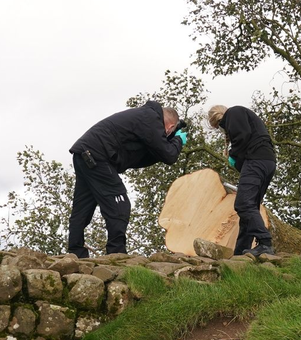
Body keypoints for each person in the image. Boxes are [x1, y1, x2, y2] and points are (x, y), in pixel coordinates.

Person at [67, 100, 186, 257]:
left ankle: (75, 253)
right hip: (96, 155)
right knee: (120, 205)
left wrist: (171, 141)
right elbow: (169, 155)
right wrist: (177, 141)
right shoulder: (150, 118)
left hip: (85, 154)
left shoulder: (143, 117)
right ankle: (116, 254)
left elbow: (152, 154)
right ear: (170, 127)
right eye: (169, 133)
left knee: (83, 207)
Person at [208, 104, 276, 256]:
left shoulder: (234, 112)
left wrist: (232, 153)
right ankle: (240, 253)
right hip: (266, 162)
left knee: (243, 204)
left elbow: (242, 136)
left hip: (257, 161)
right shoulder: (238, 117)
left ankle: (265, 242)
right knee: (250, 206)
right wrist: (238, 160)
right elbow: (245, 144)